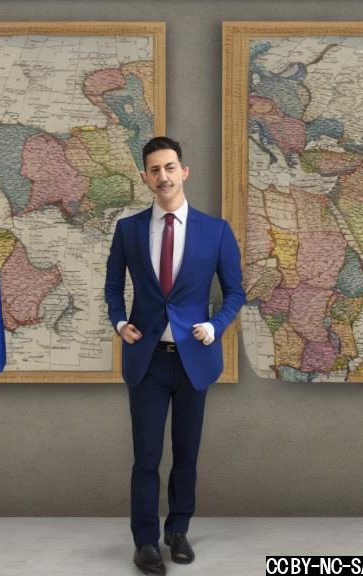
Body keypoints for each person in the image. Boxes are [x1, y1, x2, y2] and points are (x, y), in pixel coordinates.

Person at [105, 136, 245, 575]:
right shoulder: (128, 230)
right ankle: (145, 541)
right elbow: (112, 287)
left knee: (187, 453)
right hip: (147, 361)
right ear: (145, 177)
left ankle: (178, 530)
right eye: (154, 170)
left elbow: (236, 292)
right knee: (146, 456)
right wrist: (118, 321)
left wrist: (215, 326)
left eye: (169, 167)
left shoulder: (215, 230)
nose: (162, 176)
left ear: (183, 171)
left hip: (193, 360)